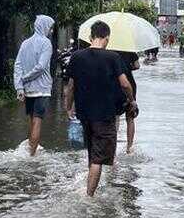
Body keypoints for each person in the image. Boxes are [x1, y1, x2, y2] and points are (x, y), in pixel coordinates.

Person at [64, 21, 138, 196]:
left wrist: (68, 107)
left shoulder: (77, 57)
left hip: (84, 113)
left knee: (92, 151)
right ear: (106, 38)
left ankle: (89, 183)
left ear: (91, 37)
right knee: (99, 158)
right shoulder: (113, 58)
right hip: (104, 115)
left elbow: (70, 87)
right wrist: (132, 100)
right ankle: (89, 196)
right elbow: (125, 84)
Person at [12, 14, 55, 156]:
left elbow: (17, 65)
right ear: (45, 27)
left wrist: (19, 86)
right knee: (37, 122)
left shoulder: (25, 43)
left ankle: (31, 149)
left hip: (28, 90)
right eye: (50, 27)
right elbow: (41, 67)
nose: (51, 31)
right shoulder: (46, 43)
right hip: (41, 90)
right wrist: (25, 79)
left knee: (31, 120)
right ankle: (31, 156)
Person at [114, 50, 140, 154]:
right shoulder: (130, 50)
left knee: (115, 117)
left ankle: (113, 147)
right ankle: (129, 147)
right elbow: (137, 65)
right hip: (130, 85)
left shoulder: (111, 53)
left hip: (115, 85)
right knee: (130, 117)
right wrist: (128, 67)